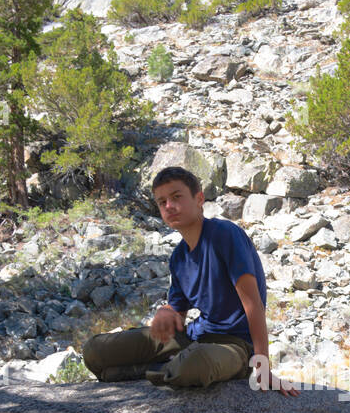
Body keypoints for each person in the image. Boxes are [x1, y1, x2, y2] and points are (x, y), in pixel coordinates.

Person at [82, 166, 298, 395]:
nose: (169, 206)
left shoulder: (225, 235)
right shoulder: (179, 257)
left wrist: (263, 366)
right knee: (95, 350)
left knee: (196, 364)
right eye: (161, 201)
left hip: (234, 346)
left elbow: (253, 304)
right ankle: (162, 368)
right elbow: (178, 314)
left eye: (176, 197)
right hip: (192, 337)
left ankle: (137, 374)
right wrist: (167, 312)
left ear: (199, 199)